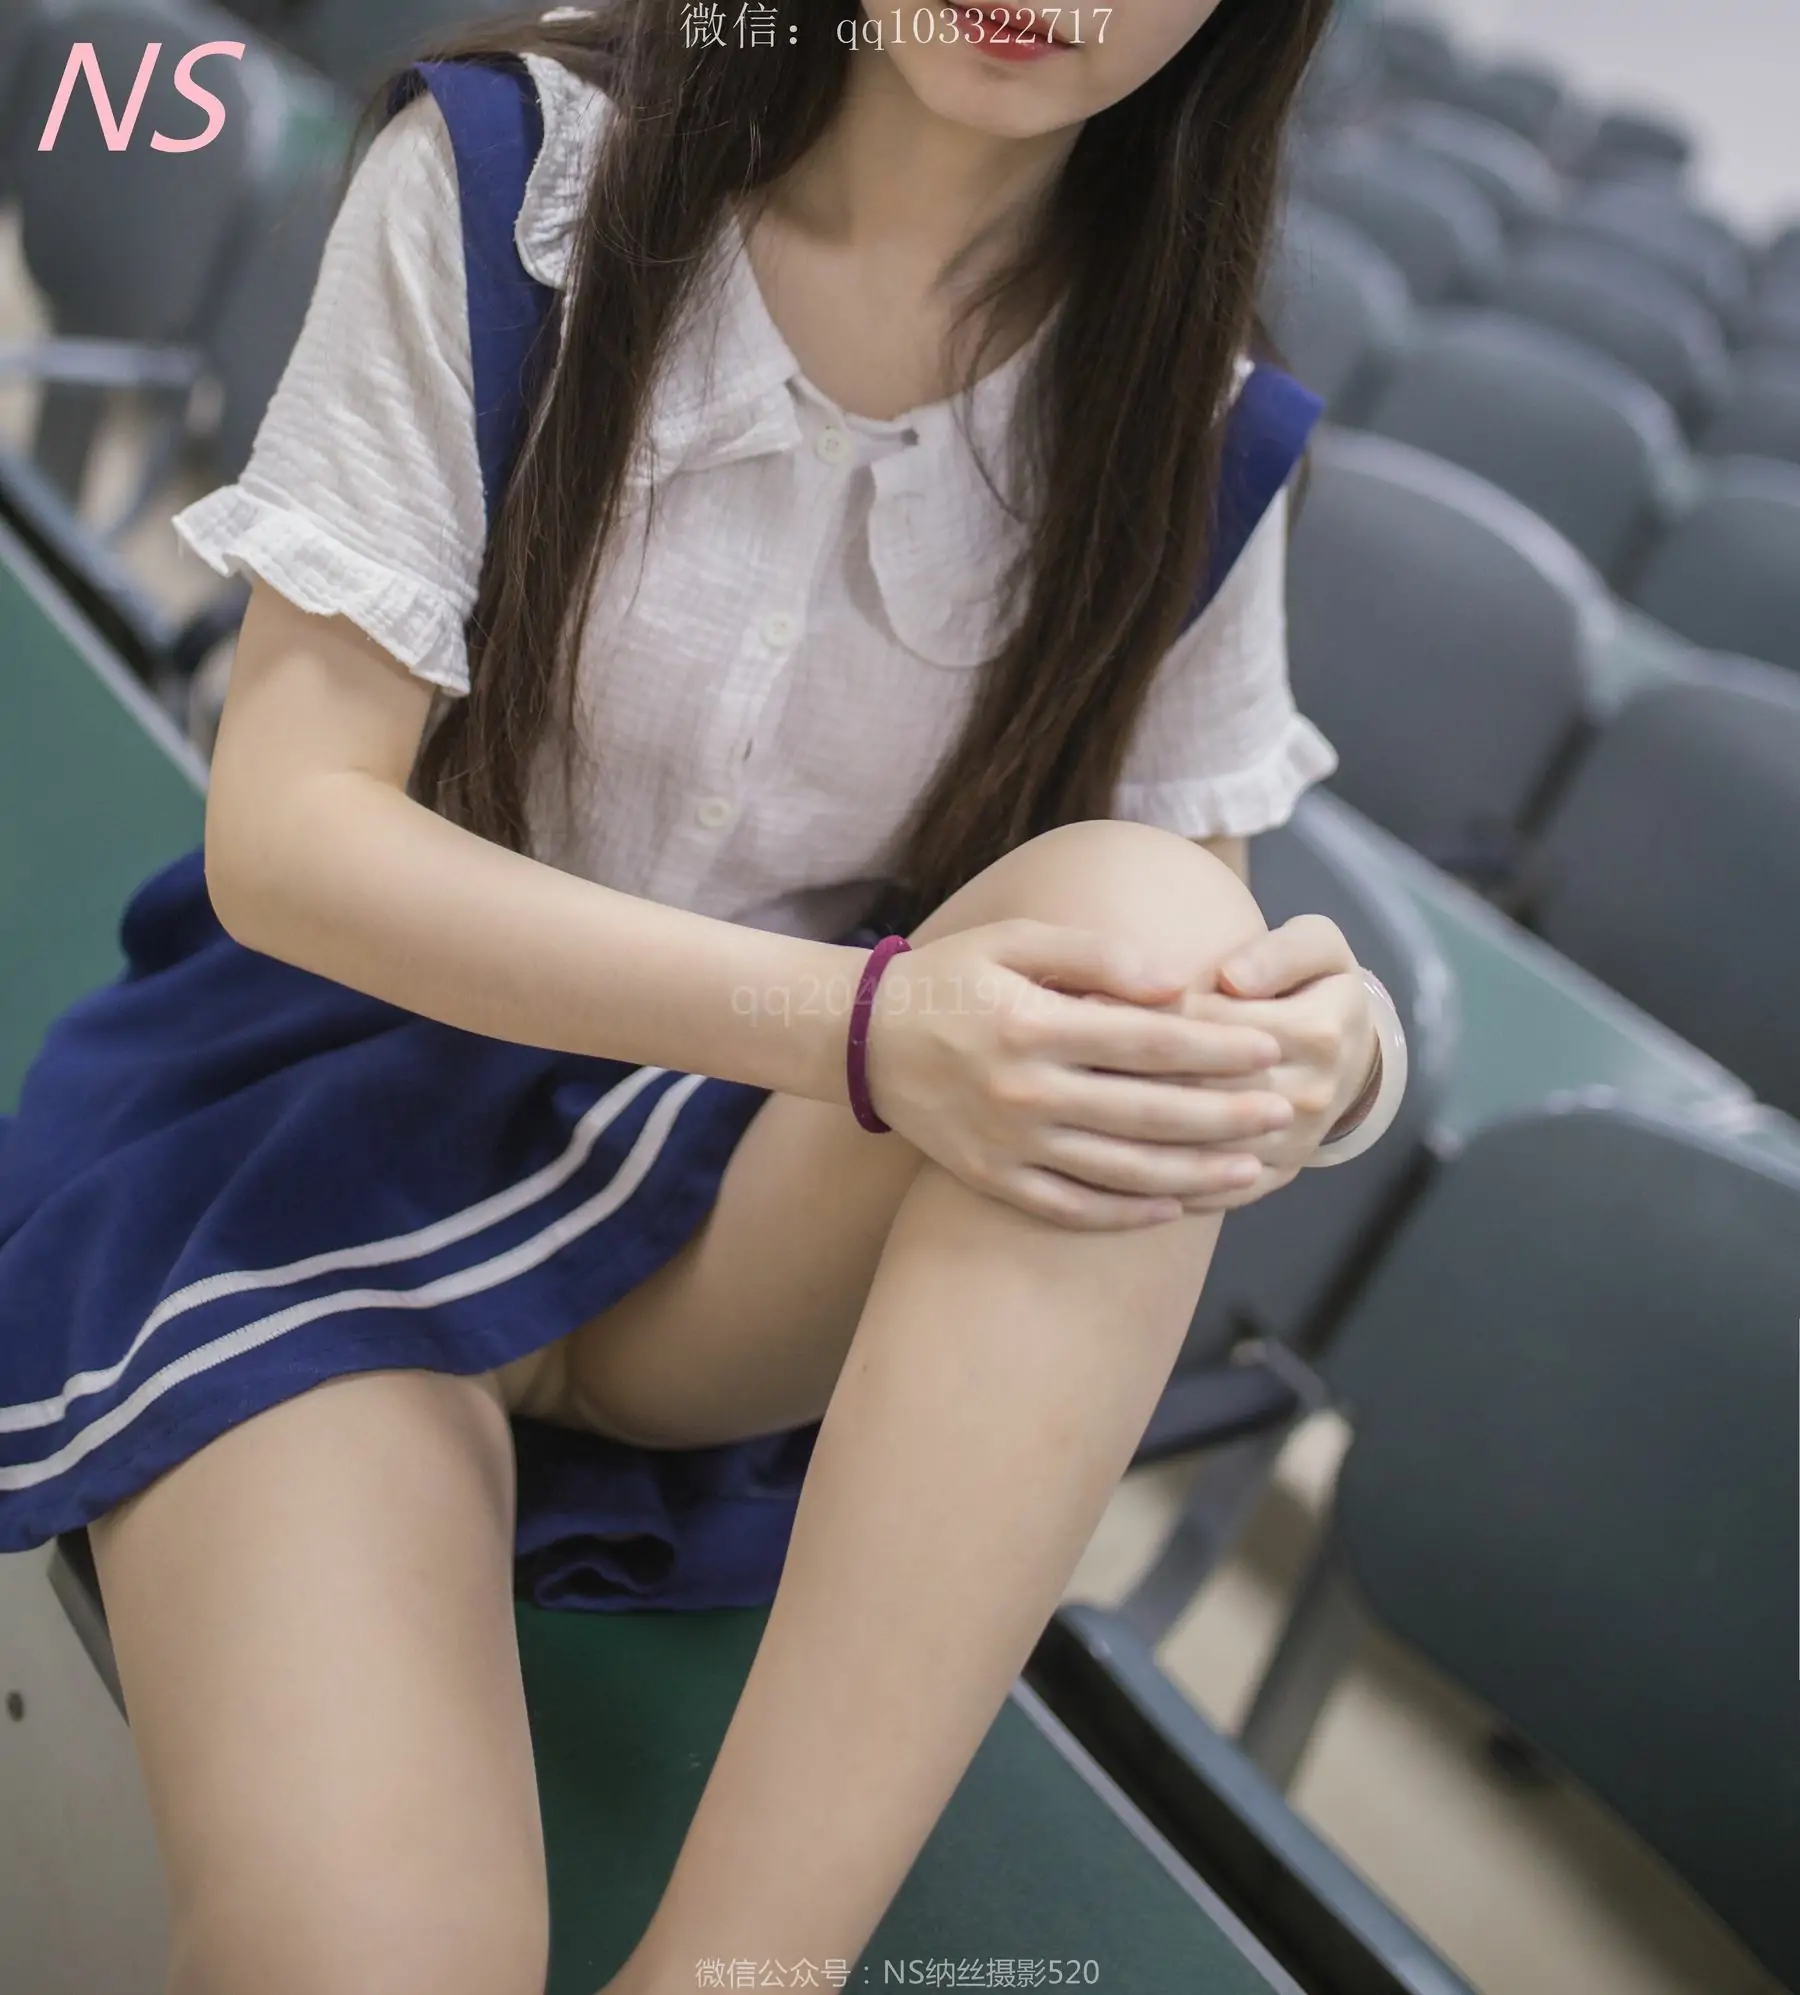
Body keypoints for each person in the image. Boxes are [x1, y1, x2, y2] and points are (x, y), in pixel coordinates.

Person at [0, 0, 1405, 1988]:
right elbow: (290, 838)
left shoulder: (1186, 412)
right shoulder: (510, 183)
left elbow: (1203, 947)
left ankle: (749, 1967)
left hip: (722, 1239)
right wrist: (865, 1027)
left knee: (1160, 946)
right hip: (324, 1147)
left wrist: (1331, 1057)